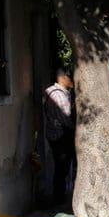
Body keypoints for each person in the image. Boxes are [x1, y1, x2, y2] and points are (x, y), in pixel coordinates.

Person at [42, 68, 75, 207]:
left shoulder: (51, 92)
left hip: (55, 134)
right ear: (62, 78)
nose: (73, 80)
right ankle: (59, 199)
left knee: (61, 168)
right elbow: (66, 117)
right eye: (70, 77)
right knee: (62, 168)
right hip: (60, 136)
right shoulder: (59, 95)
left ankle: (59, 198)